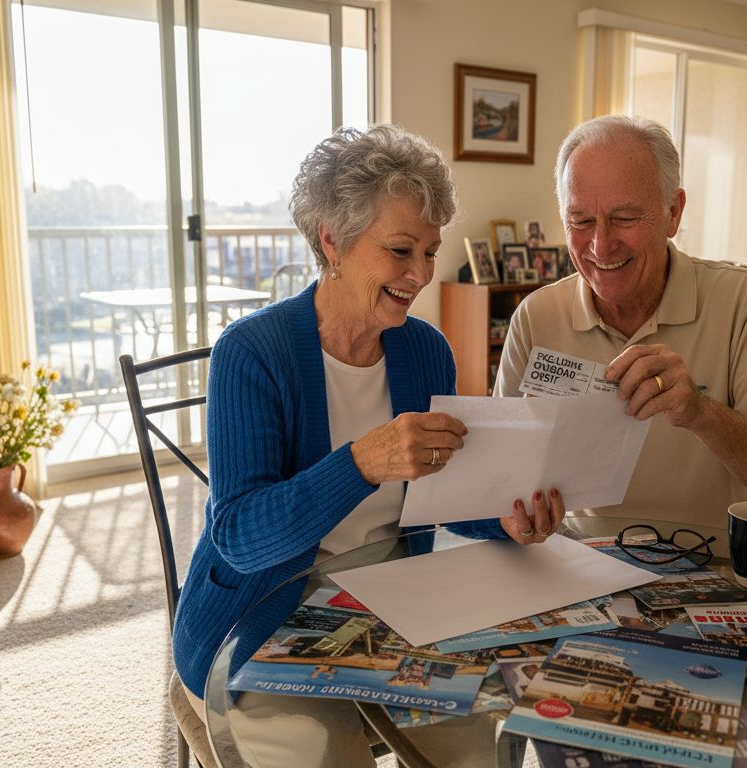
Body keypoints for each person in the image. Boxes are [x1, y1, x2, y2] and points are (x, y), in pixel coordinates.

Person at [172, 124, 563, 768]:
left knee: (471, 746)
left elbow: (435, 500)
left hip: (393, 600)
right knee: (316, 757)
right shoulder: (252, 353)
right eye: (401, 251)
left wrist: (506, 520)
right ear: (333, 240)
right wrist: (360, 463)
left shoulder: (425, 350)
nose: (421, 276)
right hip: (260, 615)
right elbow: (240, 538)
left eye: (431, 253)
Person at [495, 115, 747, 529]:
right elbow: (502, 479)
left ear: (673, 212)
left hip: (716, 569)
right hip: (581, 564)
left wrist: (699, 412)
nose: (600, 245)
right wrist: (517, 518)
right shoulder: (536, 316)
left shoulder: (744, 301)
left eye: (624, 218)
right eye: (581, 221)